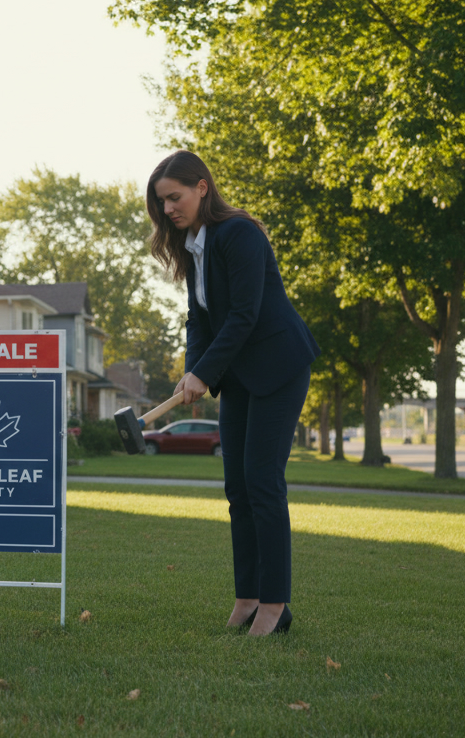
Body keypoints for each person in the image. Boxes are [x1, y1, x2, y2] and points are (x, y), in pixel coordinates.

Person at [145, 150, 320, 636]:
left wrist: (206, 372)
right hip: (241, 375)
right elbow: (198, 320)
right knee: (237, 490)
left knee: (263, 483)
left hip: (278, 367)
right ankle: (246, 597)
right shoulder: (195, 246)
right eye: (161, 203)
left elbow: (245, 313)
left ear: (202, 187)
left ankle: (275, 605)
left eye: (174, 197)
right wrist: (191, 372)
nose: (167, 210)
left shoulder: (239, 233)